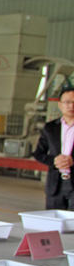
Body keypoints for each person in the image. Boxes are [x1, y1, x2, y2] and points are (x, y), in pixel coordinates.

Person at [33, 77, 74, 209]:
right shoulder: (50, 128)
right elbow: (38, 153)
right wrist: (54, 161)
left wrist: (73, 161)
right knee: (53, 219)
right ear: (60, 104)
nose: (71, 106)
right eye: (67, 102)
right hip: (55, 186)